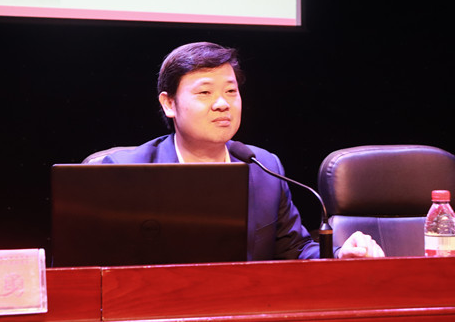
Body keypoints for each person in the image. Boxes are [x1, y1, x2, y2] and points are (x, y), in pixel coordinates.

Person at [99, 42, 385, 261]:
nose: (222, 104)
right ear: (169, 104)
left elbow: (294, 248)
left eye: (231, 91)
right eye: (205, 93)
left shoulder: (264, 167)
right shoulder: (125, 172)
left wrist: (340, 254)